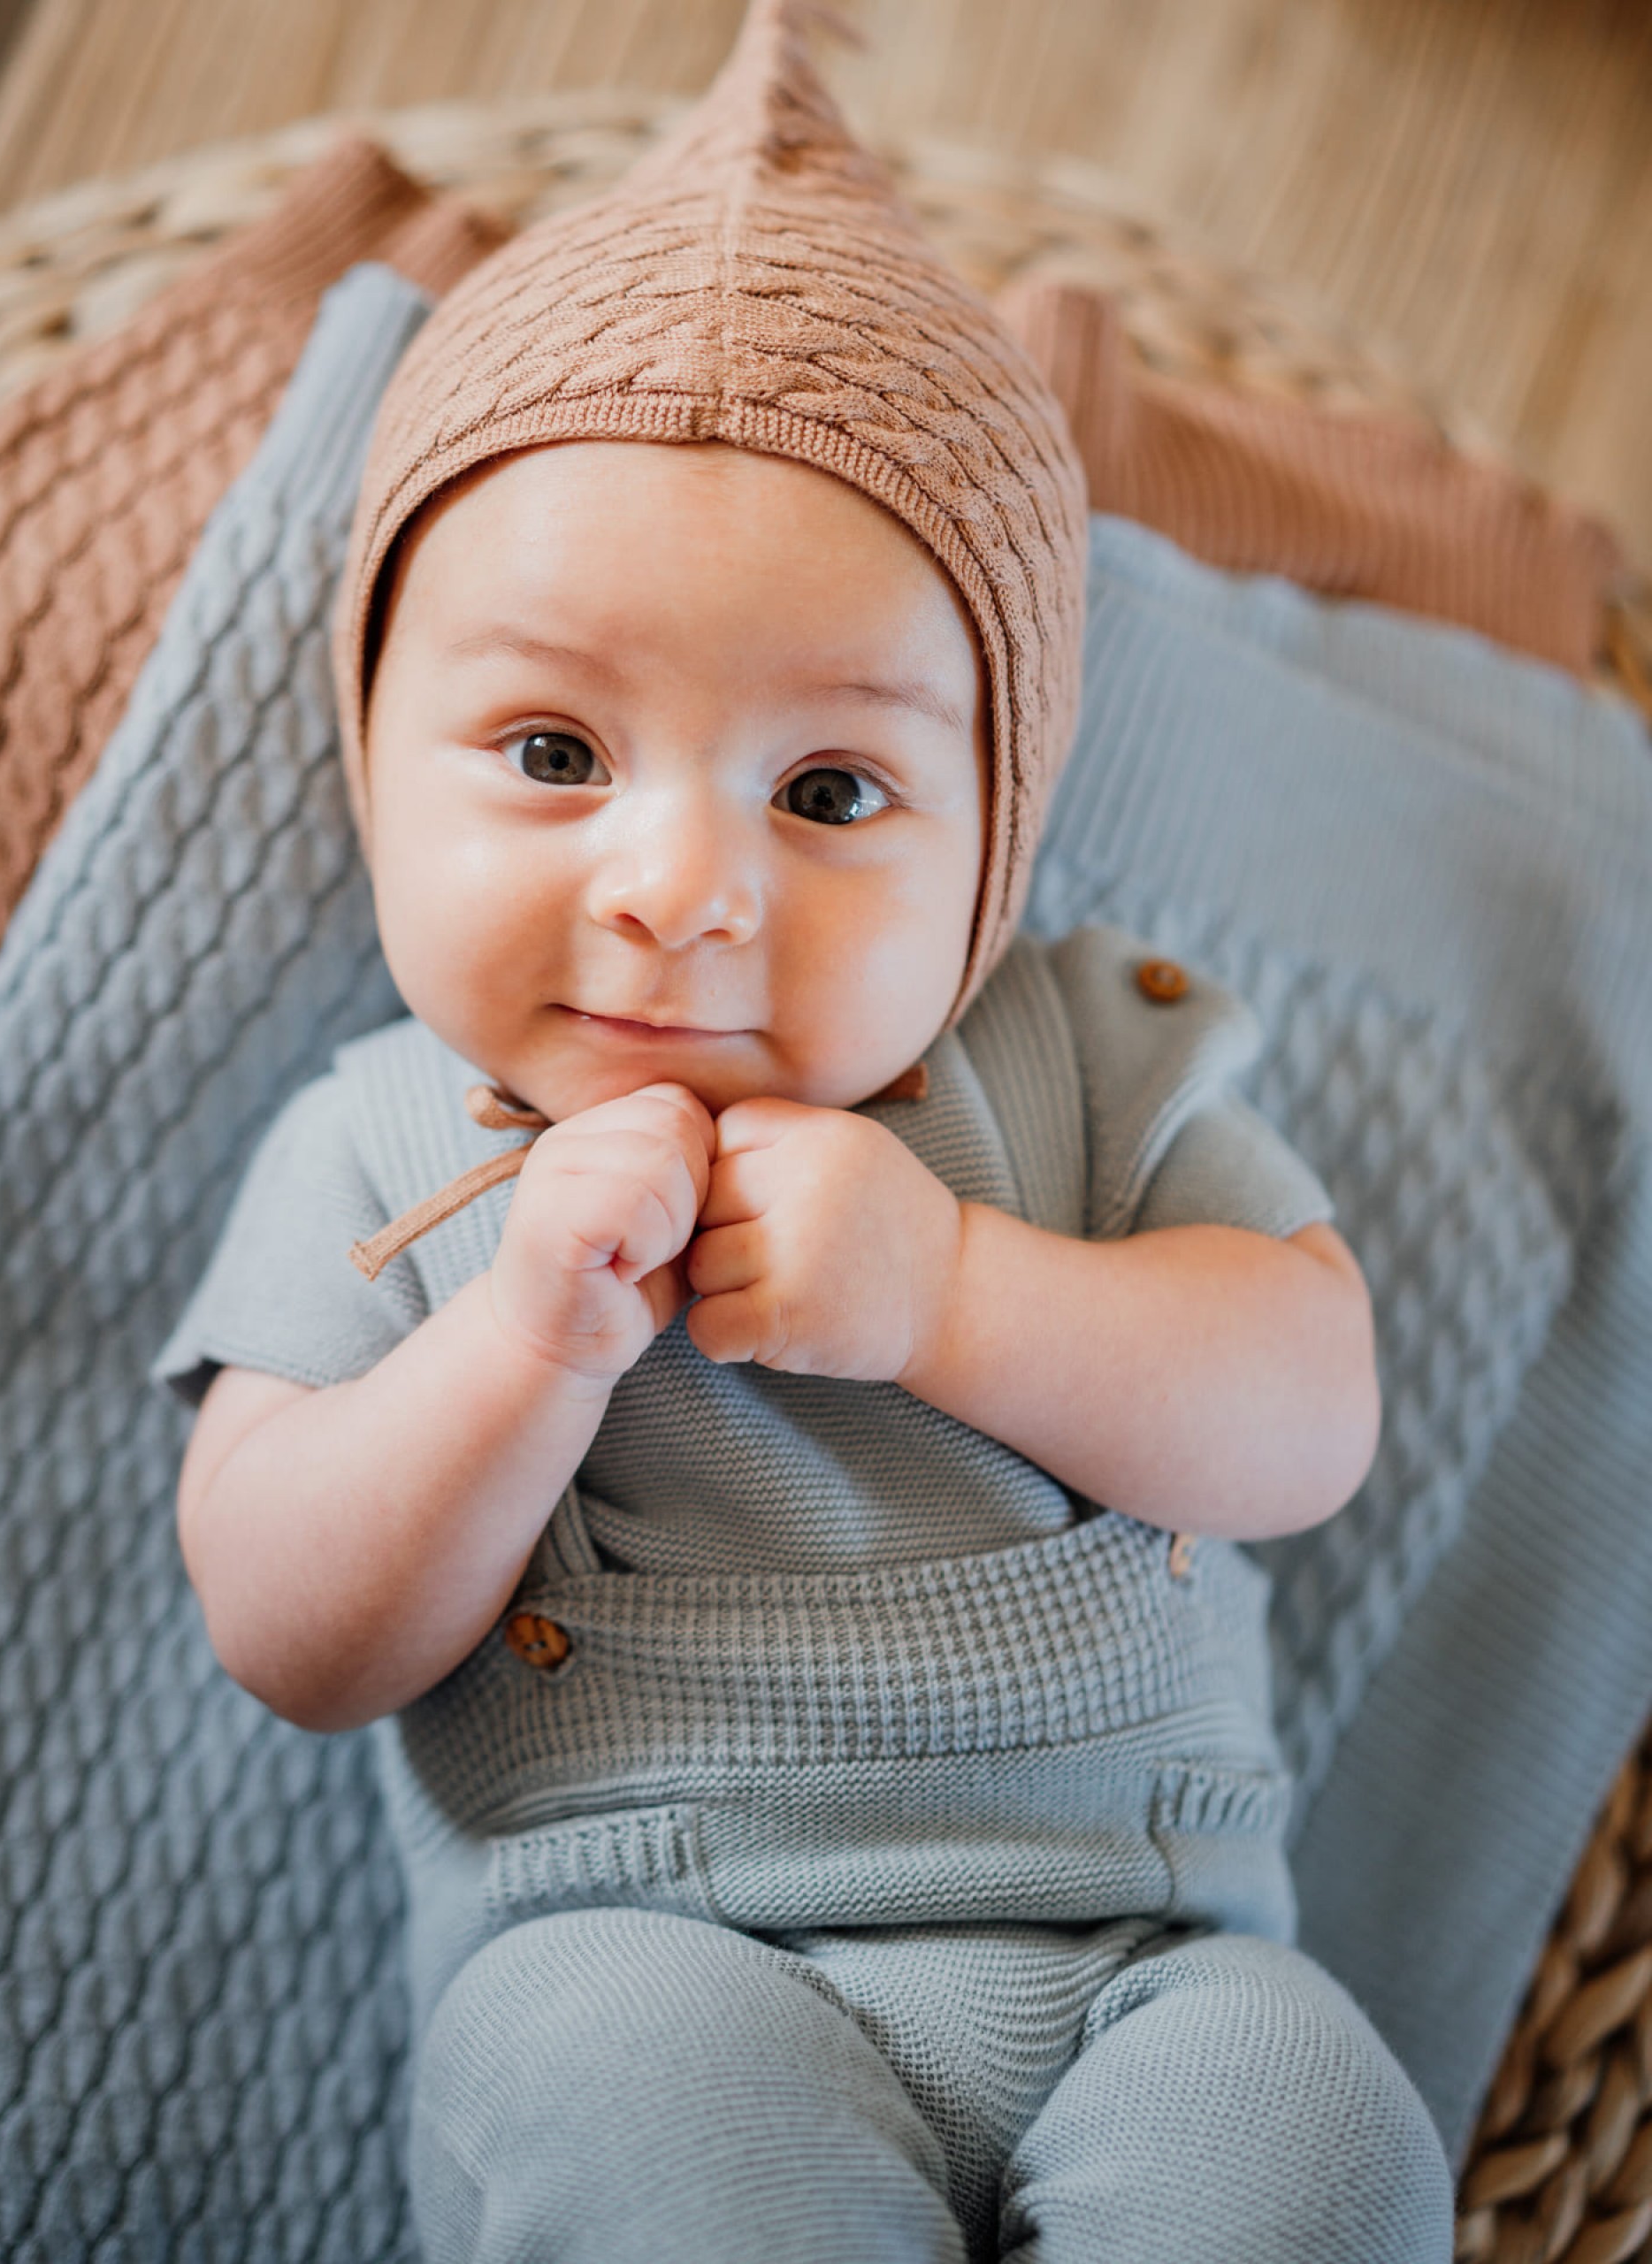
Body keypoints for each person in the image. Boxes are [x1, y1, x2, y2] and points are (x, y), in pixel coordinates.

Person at [154, 4, 1455, 2256]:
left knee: (1323, 2136)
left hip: (1152, 1960)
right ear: (373, 761)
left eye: (832, 792)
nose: (681, 887)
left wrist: (960, 1288)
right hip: (643, 1950)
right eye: (553, 752)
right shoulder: (380, 1151)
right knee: (625, 2113)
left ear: (997, 843)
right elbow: (288, 1621)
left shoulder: (1094, 1056)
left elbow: (1308, 1412)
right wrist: (520, 1352)